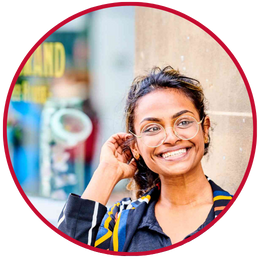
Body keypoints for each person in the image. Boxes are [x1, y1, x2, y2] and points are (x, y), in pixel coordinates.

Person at [57, 66, 233, 252]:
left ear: (205, 129)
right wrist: (107, 172)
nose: (171, 138)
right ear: (135, 146)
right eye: (152, 128)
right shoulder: (119, 221)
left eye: (183, 122)